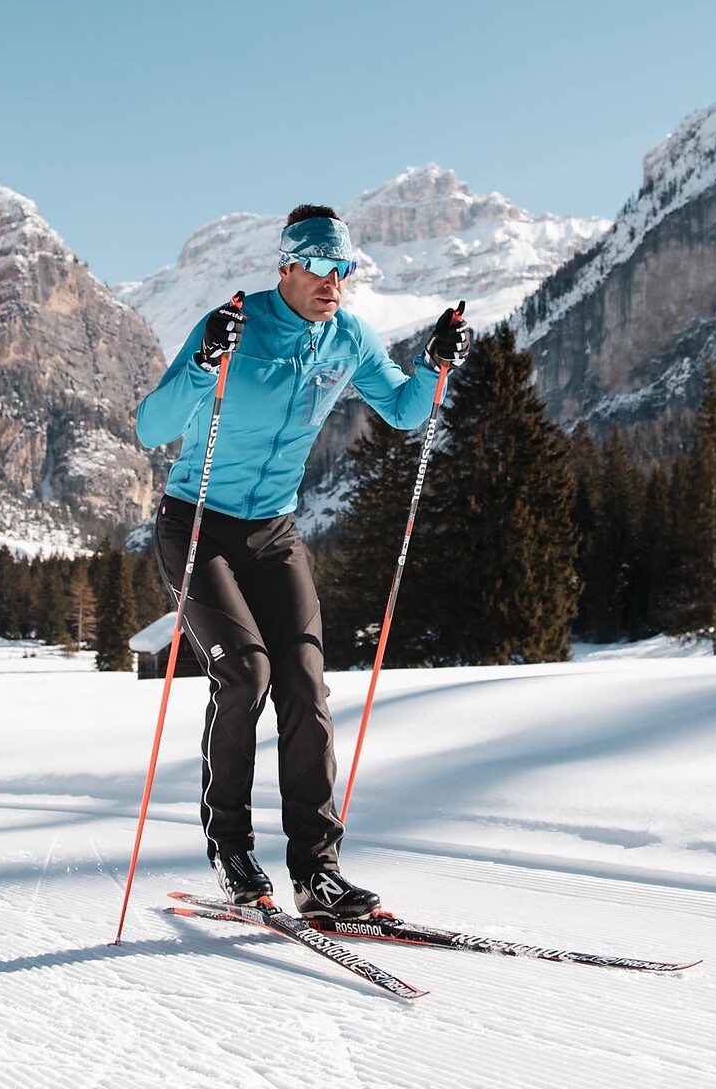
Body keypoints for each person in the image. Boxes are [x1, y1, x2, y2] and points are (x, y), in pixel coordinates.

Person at [135, 205, 471, 918]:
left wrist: (433, 364)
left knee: (306, 688)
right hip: (196, 525)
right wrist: (202, 362)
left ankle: (317, 872)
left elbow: (407, 411)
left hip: (273, 532)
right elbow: (152, 427)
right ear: (285, 266)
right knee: (245, 671)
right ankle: (231, 850)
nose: (333, 281)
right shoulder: (234, 324)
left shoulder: (347, 336)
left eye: (342, 268)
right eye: (318, 266)